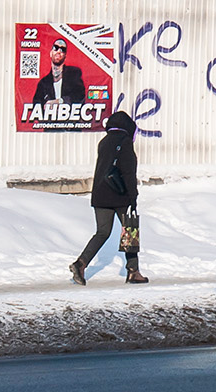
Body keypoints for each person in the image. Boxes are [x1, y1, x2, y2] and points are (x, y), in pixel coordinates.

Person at [70, 110, 148, 285]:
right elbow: (128, 172)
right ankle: (133, 271)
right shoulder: (125, 142)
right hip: (119, 196)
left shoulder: (104, 142)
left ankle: (81, 264)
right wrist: (133, 196)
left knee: (102, 232)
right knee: (130, 231)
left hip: (100, 195)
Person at [33, 37, 85, 106]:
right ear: (51, 53)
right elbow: (36, 104)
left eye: (62, 50)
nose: (59, 51)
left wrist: (59, 101)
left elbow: (80, 96)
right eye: (55, 48)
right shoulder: (43, 83)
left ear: (65, 56)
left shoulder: (74, 74)